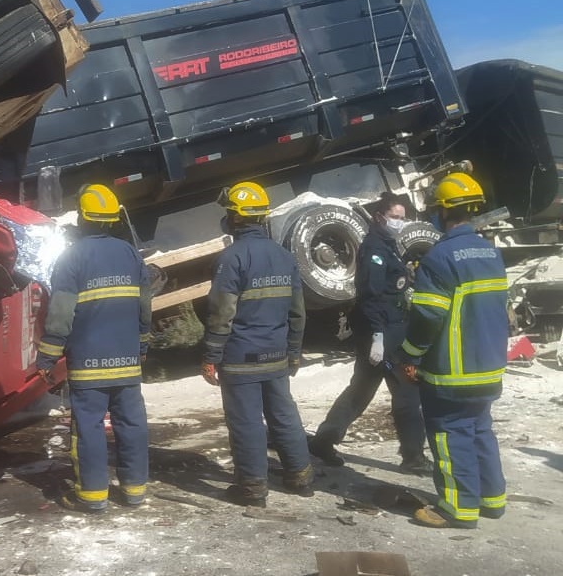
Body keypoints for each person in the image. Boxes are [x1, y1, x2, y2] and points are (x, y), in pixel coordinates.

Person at [398, 172, 509, 529]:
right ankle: (492, 500)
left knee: (449, 435)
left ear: (442, 212)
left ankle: (457, 508)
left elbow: (428, 315)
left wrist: (409, 354)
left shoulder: (440, 258)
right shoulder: (490, 252)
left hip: (451, 372)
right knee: (479, 429)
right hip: (488, 368)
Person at [36, 183, 153, 513]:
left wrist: (48, 355)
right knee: (131, 424)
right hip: (128, 362)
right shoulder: (130, 254)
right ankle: (134, 491)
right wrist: (142, 343)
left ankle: (92, 496)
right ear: (112, 219)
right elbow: (145, 305)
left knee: (88, 429)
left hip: (89, 365)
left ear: (82, 220)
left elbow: (60, 313)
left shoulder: (72, 258)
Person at [201, 181, 313, 508]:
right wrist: (293, 352)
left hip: (240, 358)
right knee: (284, 414)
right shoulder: (284, 257)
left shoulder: (230, 258)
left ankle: (252, 487)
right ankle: (301, 476)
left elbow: (222, 313)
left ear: (235, 219)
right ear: (262, 218)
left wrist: (211, 356)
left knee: (246, 420)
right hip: (277, 354)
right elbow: (298, 313)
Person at [307, 193, 430, 474]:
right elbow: (370, 295)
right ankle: (413, 455)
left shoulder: (387, 245)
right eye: (395, 217)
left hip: (386, 328)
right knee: (407, 392)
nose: (400, 223)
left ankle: (324, 440)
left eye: (403, 218)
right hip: (384, 332)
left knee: (361, 389)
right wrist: (377, 335)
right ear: (379, 217)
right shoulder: (375, 248)